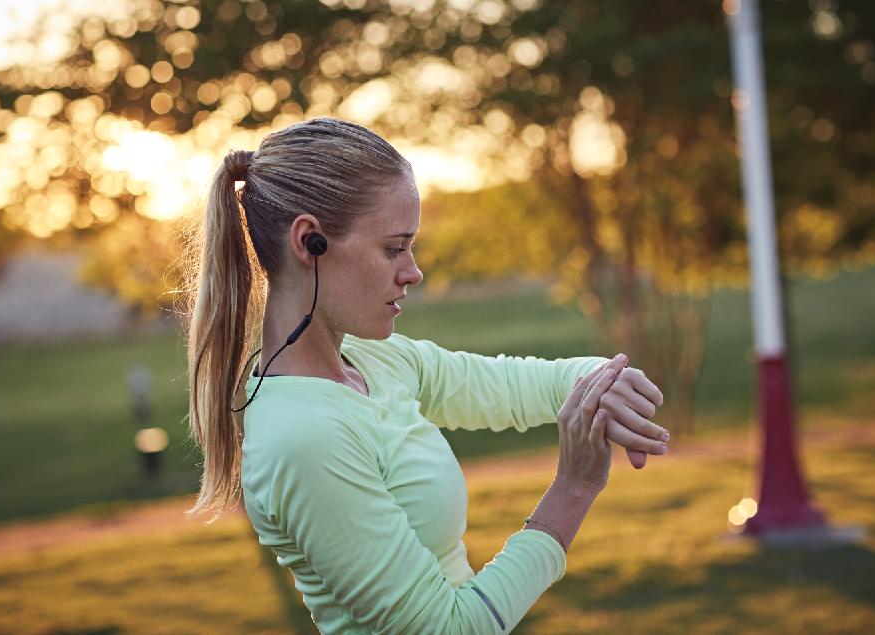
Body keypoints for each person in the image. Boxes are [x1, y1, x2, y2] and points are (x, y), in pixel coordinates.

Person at [184, 117, 669, 634]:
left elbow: (510, 387)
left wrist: (605, 381)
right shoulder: (307, 439)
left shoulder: (375, 362)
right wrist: (574, 488)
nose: (413, 270)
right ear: (311, 242)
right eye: (394, 248)